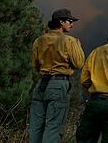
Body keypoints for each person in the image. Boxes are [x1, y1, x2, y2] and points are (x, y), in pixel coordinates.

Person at [29, 8, 85, 143]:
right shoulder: (69, 41)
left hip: (41, 85)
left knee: (36, 127)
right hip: (58, 85)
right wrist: (78, 45)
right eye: (70, 21)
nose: (72, 24)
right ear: (61, 22)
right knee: (53, 127)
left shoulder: (39, 41)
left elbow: (35, 65)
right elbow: (78, 63)